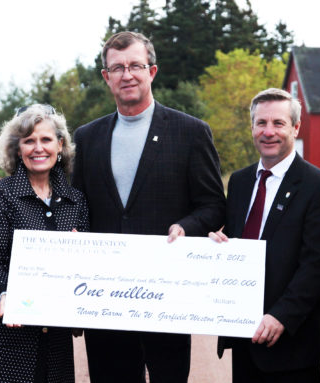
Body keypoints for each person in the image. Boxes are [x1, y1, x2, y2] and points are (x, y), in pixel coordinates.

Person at [72, 31, 226, 382]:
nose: (127, 75)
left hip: (166, 300)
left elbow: (214, 205)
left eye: (135, 66)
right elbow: (77, 206)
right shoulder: (86, 138)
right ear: (105, 77)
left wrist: (187, 226)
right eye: (117, 68)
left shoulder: (191, 133)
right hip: (104, 301)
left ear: (152, 72)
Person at [209, 88, 320, 382]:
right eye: (261, 123)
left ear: (295, 127)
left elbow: (317, 264)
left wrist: (282, 315)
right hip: (243, 336)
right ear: (252, 127)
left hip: (291, 345)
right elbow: (237, 241)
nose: (269, 132)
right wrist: (219, 247)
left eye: (278, 123)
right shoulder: (241, 182)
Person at [0, 104, 88, 382]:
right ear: (17, 149)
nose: (37, 148)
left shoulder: (75, 200)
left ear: (60, 145)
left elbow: (85, 267)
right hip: (5, 335)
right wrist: (5, 294)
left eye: (46, 139)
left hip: (55, 341)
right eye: (28, 141)